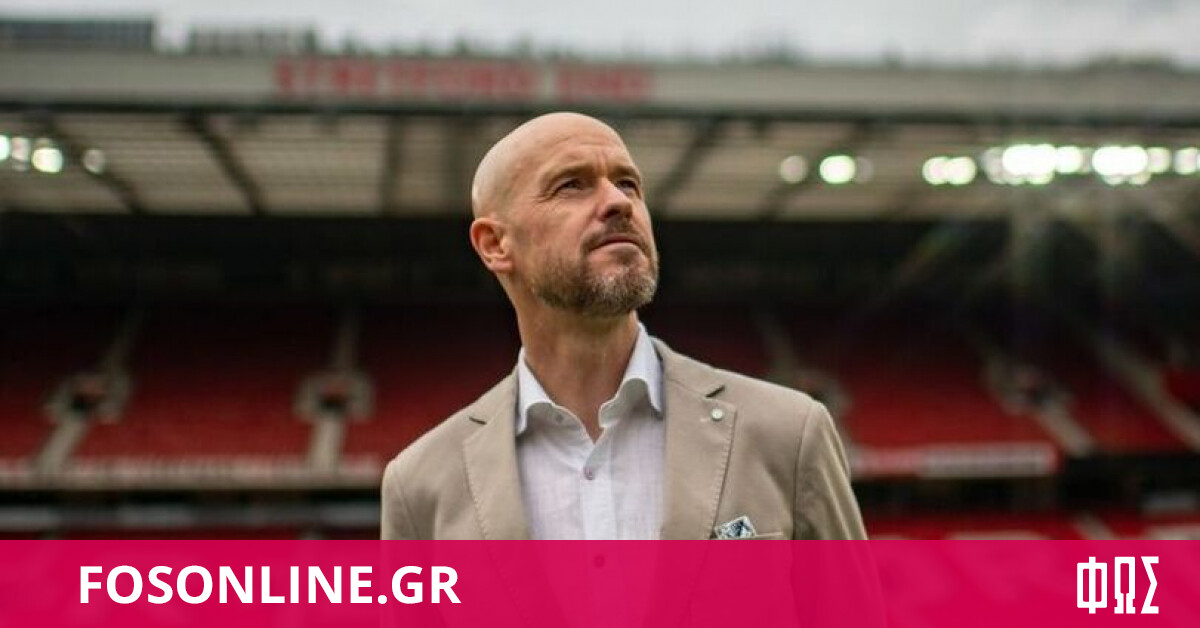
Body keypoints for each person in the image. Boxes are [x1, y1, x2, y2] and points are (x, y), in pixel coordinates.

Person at [381, 112, 865, 539]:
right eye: (571, 185)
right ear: (495, 244)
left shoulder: (789, 435)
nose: (618, 202)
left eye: (628, 183)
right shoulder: (420, 487)